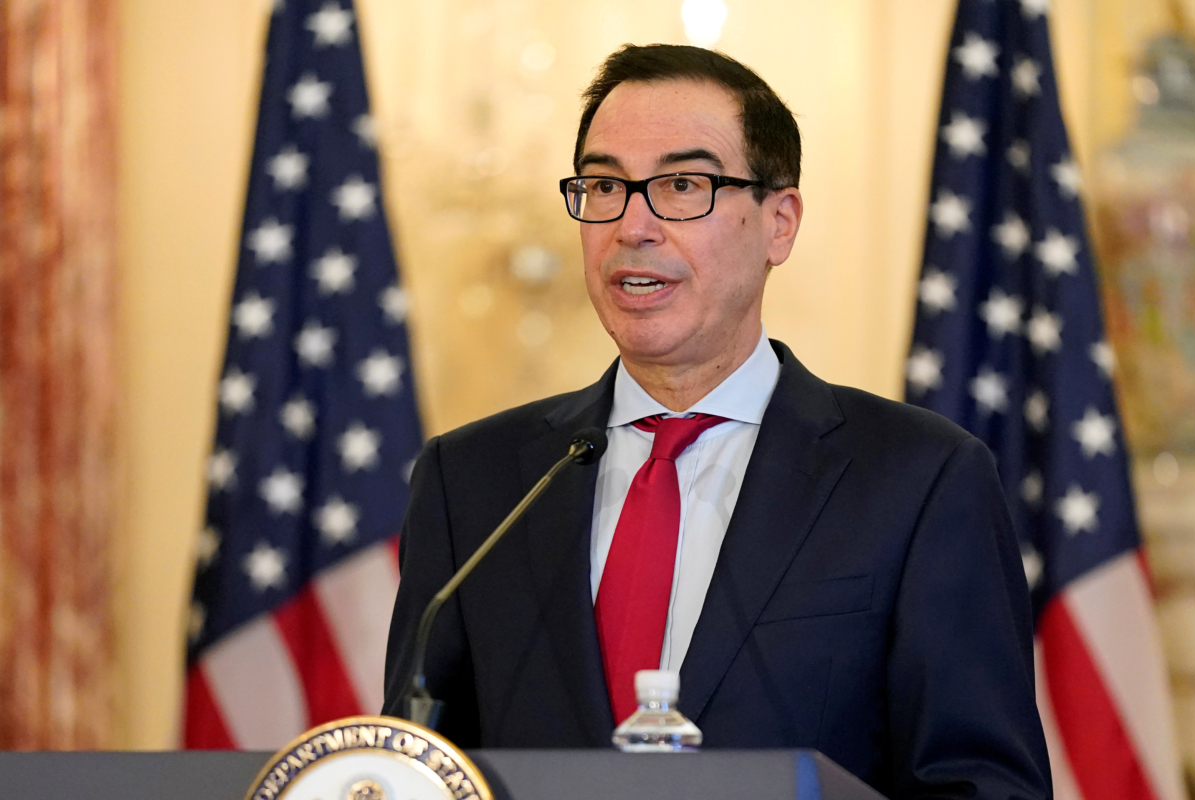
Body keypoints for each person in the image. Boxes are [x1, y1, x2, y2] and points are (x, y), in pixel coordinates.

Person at [383, 43, 1051, 799]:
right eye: (604, 186)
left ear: (779, 223)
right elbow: (419, 770)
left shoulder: (919, 479)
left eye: (681, 184)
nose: (632, 225)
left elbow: (982, 786)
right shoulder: (473, 481)